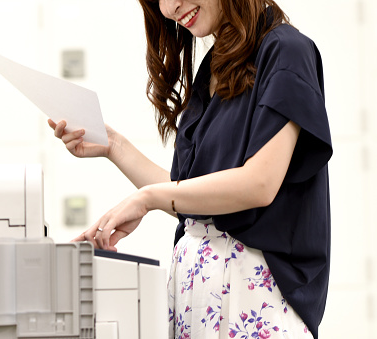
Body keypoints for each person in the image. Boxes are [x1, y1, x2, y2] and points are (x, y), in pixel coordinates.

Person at [48, 0, 332, 338]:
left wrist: (149, 198)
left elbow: (260, 183)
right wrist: (113, 145)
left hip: (251, 302)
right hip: (195, 300)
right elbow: (190, 194)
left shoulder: (286, 50)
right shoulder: (216, 64)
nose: (169, 8)